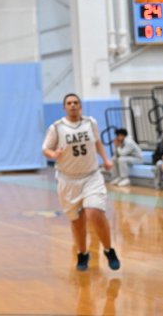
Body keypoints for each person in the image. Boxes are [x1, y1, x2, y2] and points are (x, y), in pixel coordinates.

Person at [42, 93, 121, 272]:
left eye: (76, 102)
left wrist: (106, 159)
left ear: (80, 106)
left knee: (94, 212)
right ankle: (82, 253)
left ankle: (109, 250)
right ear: (64, 107)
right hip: (67, 179)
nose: (73, 105)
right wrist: (53, 154)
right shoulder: (57, 127)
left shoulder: (90, 123)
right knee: (77, 221)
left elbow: (97, 142)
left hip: (91, 175)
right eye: (69, 103)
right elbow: (45, 148)